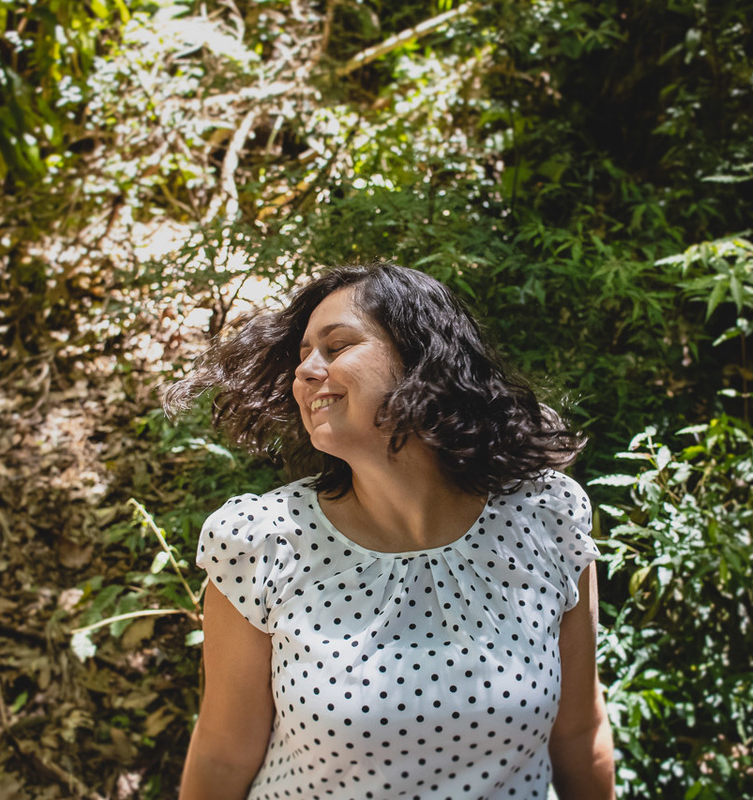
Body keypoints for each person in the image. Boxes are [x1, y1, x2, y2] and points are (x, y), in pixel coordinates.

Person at [165, 261, 614, 800]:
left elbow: (580, 735)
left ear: (423, 361)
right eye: (304, 355)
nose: (306, 371)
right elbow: (221, 754)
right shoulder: (263, 543)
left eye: (336, 347)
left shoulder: (546, 518)